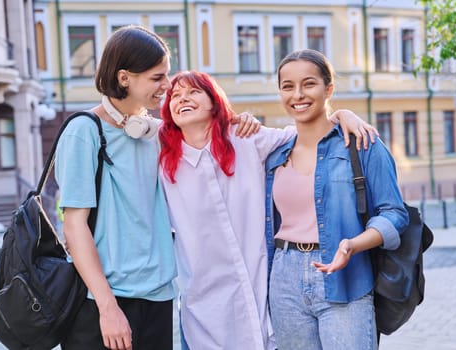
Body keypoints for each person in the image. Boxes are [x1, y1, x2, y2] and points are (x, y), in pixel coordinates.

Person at [158, 70, 378, 349]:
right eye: (175, 96)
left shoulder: (247, 138)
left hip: (261, 291)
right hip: (203, 303)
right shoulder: (161, 156)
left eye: (193, 92)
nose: (182, 99)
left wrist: (341, 115)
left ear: (214, 101)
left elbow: (305, 133)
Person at [264, 49, 409, 350]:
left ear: (328, 89)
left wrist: (353, 244)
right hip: (284, 278)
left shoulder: (362, 144)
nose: (298, 94)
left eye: (309, 84)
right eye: (287, 86)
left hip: (346, 275)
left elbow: (394, 212)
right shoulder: (273, 153)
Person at [55, 25, 177, 350]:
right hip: (102, 304)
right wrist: (107, 307)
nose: (167, 85)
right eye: (157, 77)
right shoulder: (84, 131)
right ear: (124, 78)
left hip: (159, 296)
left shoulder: (157, 133)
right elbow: (74, 224)